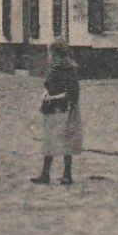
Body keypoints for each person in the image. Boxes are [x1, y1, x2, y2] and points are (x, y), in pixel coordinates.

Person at [34, 39, 83, 185]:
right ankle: (45, 174)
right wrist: (44, 96)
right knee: (49, 141)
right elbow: (48, 87)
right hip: (52, 110)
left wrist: (53, 98)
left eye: (52, 55)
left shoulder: (69, 71)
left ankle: (67, 175)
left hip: (65, 111)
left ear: (59, 55)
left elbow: (73, 94)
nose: (50, 57)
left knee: (66, 141)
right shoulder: (54, 69)